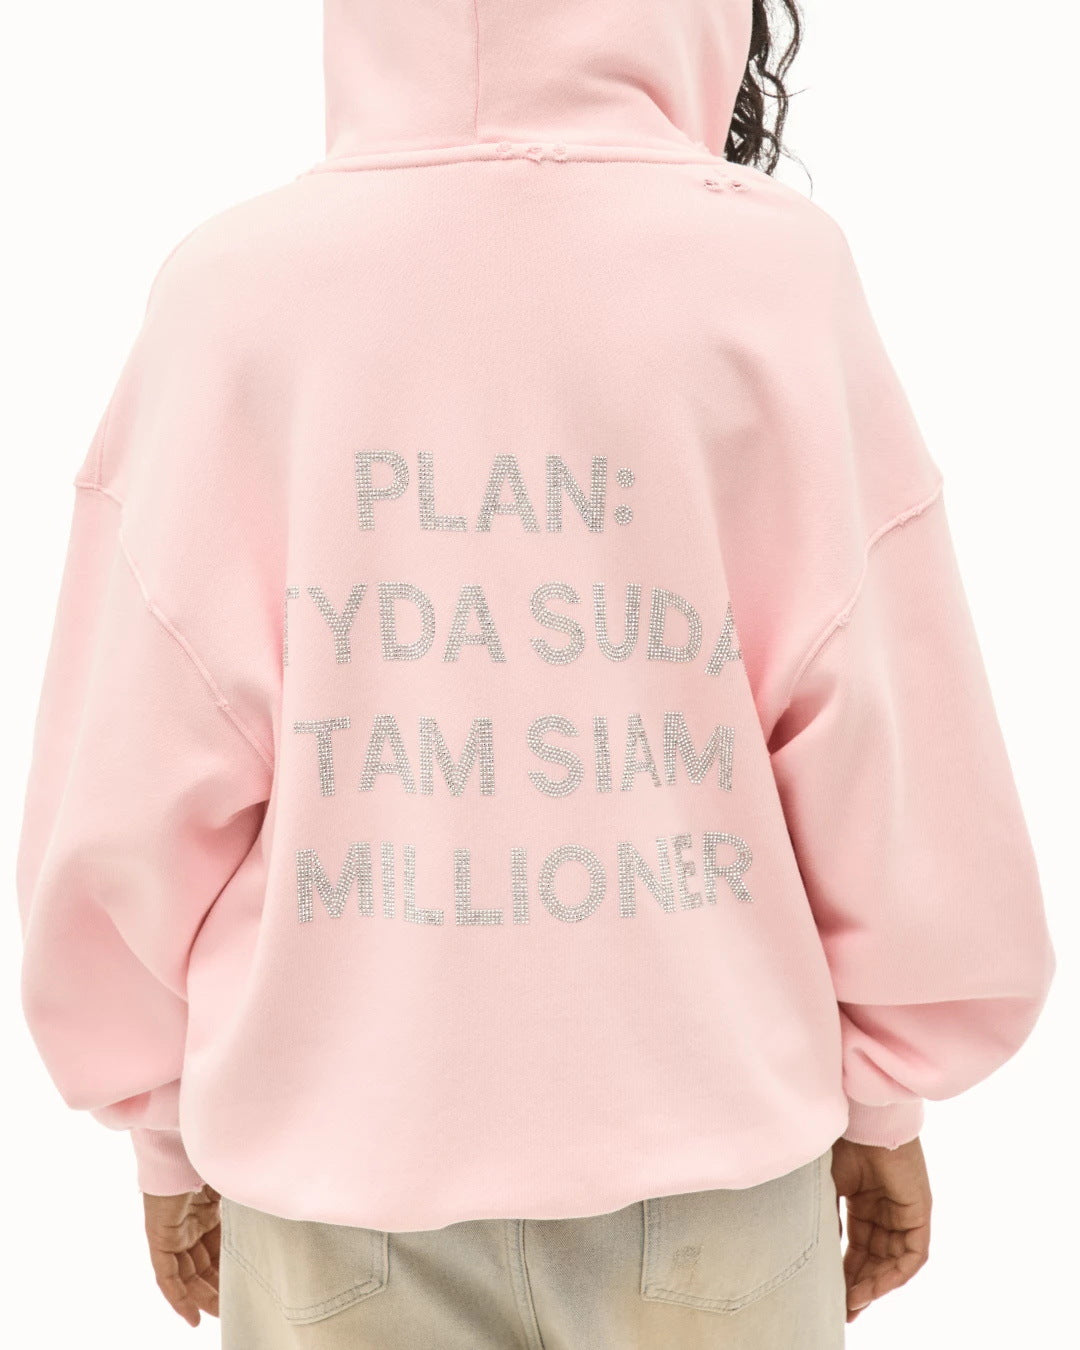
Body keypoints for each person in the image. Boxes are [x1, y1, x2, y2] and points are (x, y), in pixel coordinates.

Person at [17, 2, 1054, 1346]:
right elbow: (884, 736)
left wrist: (161, 1127)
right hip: (715, 1174)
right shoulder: (774, 278)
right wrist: (885, 1096)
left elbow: (134, 762)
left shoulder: (230, 297)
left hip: (338, 1189)